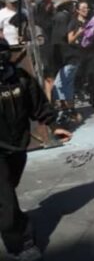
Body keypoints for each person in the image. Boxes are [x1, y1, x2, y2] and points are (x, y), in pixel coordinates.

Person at [0, 39, 72, 260]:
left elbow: (38, 104)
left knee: (9, 187)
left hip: (18, 145)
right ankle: (20, 243)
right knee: (5, 198)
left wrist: (54, 125)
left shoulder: (20, 77)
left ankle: (11, 217)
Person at [52, 1, 90, 124]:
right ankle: (70, 110)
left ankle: (64, 111)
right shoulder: (70, 19)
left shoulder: (68, 20)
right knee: (67, 85)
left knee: (59, 85)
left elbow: (69, 40)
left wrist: (78, 34)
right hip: (73, 58)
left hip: (72, 58)